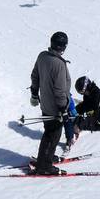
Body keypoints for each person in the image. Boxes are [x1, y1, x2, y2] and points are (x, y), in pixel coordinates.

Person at [29, 31, 71, 175]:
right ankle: (44, 166)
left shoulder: (42, 56)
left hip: (46, 104)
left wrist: (34, 94)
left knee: (49, 132)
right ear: (63, 46)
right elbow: (60, 90)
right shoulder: (58, 64)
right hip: (55, 108)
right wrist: (63, 109)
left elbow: (35, 76)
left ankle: (46, 157)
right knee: (53, 135)